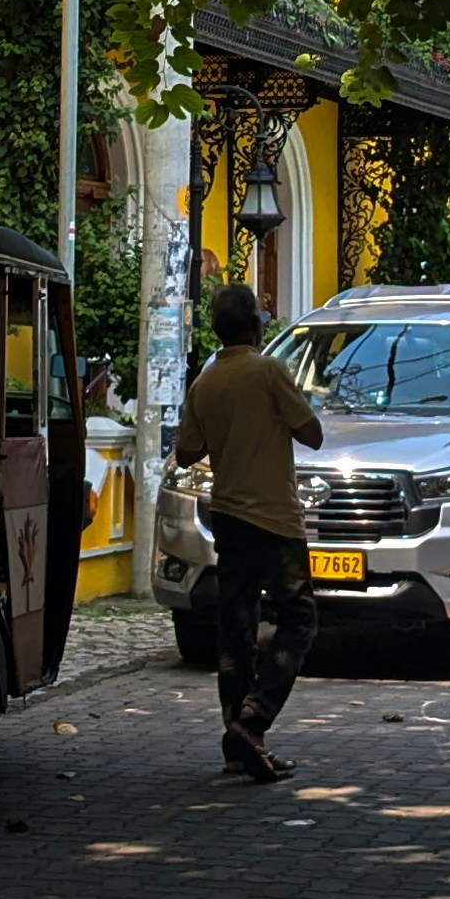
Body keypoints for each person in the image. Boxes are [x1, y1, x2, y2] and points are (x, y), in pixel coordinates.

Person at [173, 281, 323, 783]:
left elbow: (188, 451)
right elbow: (313, 434)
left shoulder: (205, 383)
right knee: (299, 619)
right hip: (277, 520)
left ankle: (238, 740)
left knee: (236, 628)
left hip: (231, 519)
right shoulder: (269, 372)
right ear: (257, 326)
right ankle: (255, 720)